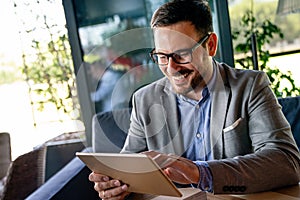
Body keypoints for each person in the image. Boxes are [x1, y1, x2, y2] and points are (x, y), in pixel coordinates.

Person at [89, 0, 300, 199]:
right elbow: (129, 169)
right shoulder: (144, 100)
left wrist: (200, 173)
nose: (171, 68)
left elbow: (286, 162)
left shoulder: (249, 86)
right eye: (162, 56)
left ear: (211, 45)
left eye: (181, 54)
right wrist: (115, 185)